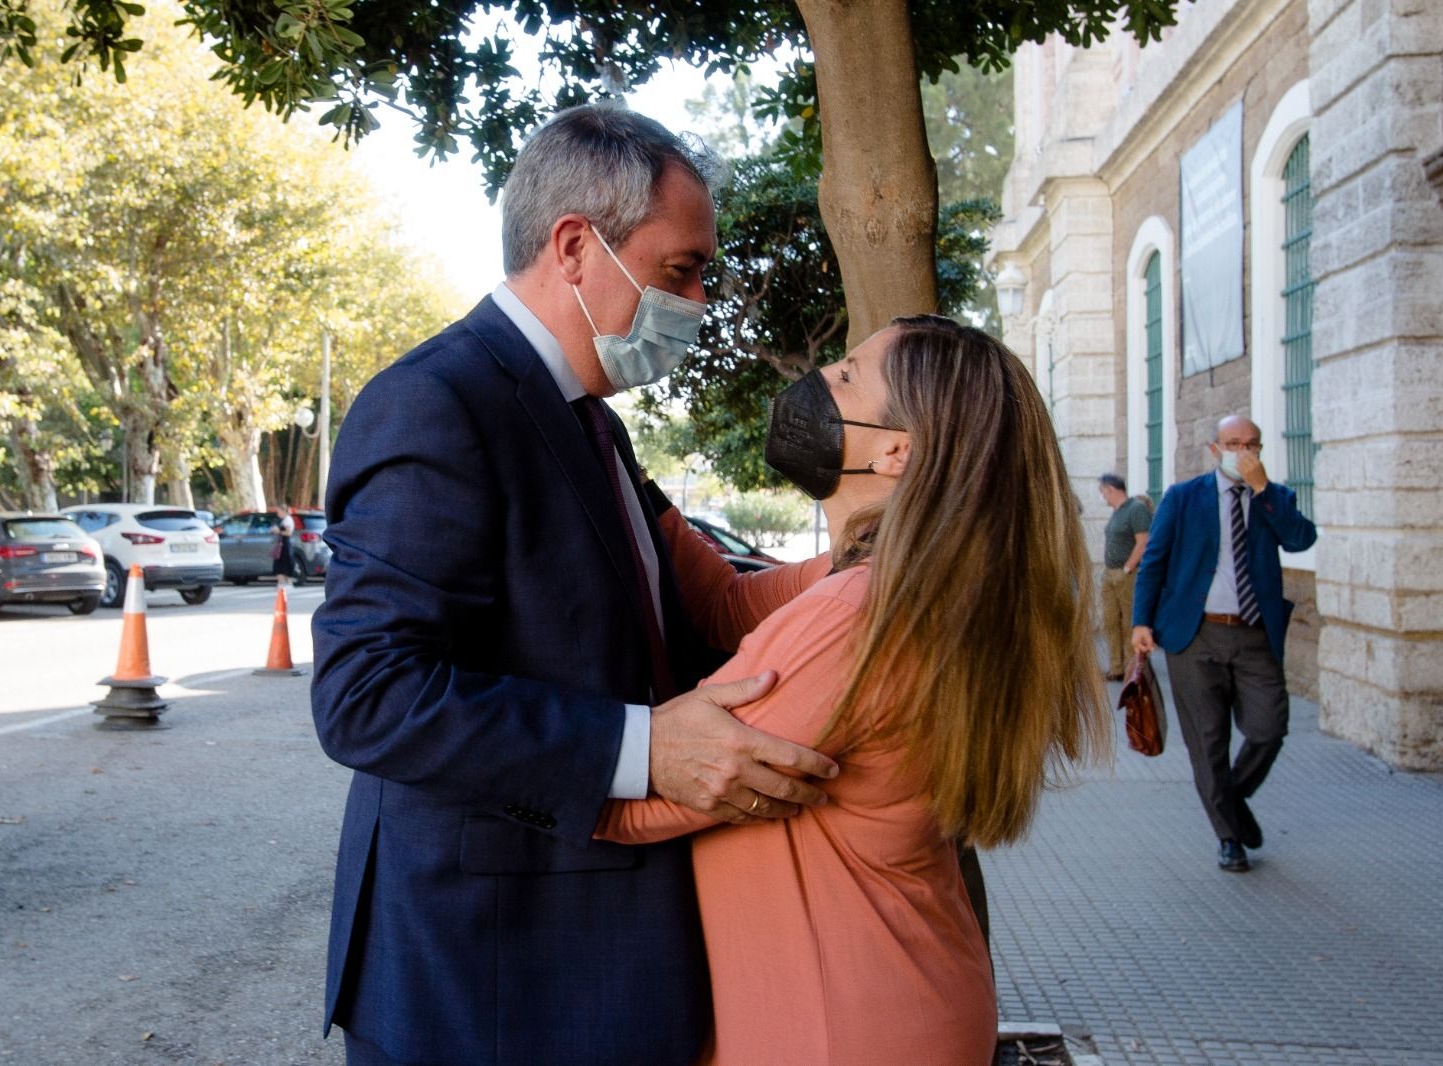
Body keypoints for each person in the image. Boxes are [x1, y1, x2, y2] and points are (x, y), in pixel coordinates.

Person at [309, 105, 841, 1066]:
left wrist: (878, 561)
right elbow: (367, 696)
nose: (702, 300)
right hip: (490, 979)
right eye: (681, 270)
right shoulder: (438, 401)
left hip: (588, 955)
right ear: (572, 247)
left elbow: (704, 607)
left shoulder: (593, 417)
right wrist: (642, 748)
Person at [597, 315, 1111, 1066]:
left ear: (897, 450)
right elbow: (726, 605)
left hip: (841, 1026)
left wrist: (478, 748)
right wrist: (635, 484)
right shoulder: (919, 585)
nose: (816, 388)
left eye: (843, 376)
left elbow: (664, 793)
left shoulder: (856, 618)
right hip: (903, 995)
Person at [1130, 415, 1318, 872]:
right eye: (1234, 443)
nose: (1243, 452)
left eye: (1251, 444)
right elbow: (1154, 561)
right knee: (1208, 741)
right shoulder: (1183, 497)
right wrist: (1141, 622)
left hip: (1254, 633)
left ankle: (1231, 798)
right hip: (1194, 635)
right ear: (1215, 449)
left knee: (1269, 727)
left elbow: (1301, 539)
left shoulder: (1275, 498)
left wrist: (1264, 491)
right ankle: (1229, 836)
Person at [1098, 473, 1151, 681]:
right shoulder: (1116, 512)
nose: (1104, 498)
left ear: (1111, 489)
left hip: (1126, 574)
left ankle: (1133, 669)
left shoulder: (1136, 509)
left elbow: (1144, 541)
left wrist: (1128, 567)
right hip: (1110, 574)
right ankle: (1116, 667)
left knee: (1129, 621)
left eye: (1103, 493)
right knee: (1110, 621)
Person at [271, 503, 296, 590]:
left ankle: (288, 583)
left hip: (285, 544)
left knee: (285, 562)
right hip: (282, 543)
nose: (278, 513)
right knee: (279, 563)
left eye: (279, 511)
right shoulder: (283, 520)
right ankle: (281, 582)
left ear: (283, 511)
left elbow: (288, 533)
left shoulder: (287, 520)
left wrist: (278, 531)